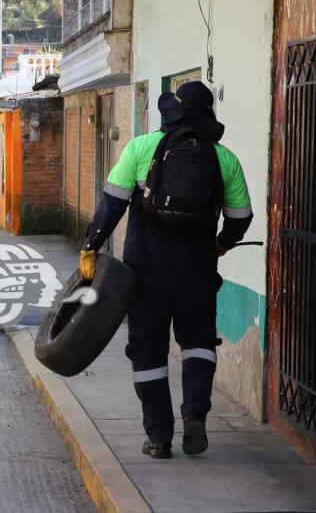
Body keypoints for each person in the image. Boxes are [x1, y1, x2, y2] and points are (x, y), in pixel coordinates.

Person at [79, 81, 252, 459]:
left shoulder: (141, 148)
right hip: (197, 271)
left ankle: (159, 438)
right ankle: (195, 416)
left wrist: (91, 246)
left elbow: (112, 205)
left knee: (148, 352)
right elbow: (241, 217)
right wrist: (220, 244)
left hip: (146, 271)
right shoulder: (224, 159)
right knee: (198, 345)